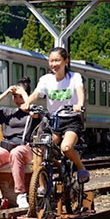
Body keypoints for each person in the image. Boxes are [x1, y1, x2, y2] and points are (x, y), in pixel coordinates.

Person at [24, 47, 89, 183]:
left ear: (66, 61)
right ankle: (41, 186)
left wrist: (80, 104)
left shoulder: (74, 78)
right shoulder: (46, 79)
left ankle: (81, 167)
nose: (54, 64)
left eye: (57, 60)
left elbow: (80, 91)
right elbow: (36, 93)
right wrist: (27, 103)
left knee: (66, 148)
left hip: (71, 120)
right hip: (53, 121)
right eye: (51, 61)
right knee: (42, 148)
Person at [0, 78, 39, 209]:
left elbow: (34, 113)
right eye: (15, 97)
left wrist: (26, 96)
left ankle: (21, 194)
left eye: (21, 96)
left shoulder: (33, 112)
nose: (18, 100)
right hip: (7, 147)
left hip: (26, 148)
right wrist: (6, 92)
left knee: (16, 153)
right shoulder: (8, 113)